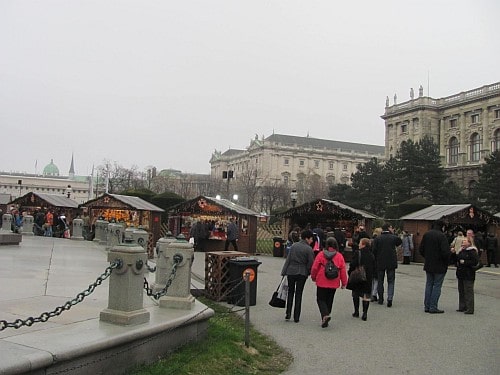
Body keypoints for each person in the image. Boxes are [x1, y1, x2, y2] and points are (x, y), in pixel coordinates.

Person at [310, 237, 348, 328]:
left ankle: (325, 314)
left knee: (320, 299)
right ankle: (327, 313)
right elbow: (343, 270)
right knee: (329, 299)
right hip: (334, 281)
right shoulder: (339, 256)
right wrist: (344, 282)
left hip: (322, 280)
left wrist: (313, 277)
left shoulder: (321, 254)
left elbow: (315, 267)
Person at [281, 229, 315, 323]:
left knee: (290, 292)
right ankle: (296, 316)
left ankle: (288, 313)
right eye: (311, 239)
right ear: (307, 238)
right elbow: (310, 263)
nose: (312, 241)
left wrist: (284, 271)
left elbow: (288, 259)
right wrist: (308, 272)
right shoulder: (309, 249)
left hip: (291, 271)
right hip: (302, 272)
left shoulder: (294, 246)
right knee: (299, 293)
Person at [419, 221, 451, 314]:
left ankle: (427, 306)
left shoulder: (427, 234)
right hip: (440, 265)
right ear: (442, 227)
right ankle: (433, 306)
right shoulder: (442, 236)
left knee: (429, 284)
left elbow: (421, 249)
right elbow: (445, 252)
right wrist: (448, 259)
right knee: (437, 285)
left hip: (429, 263)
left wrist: (427, 257)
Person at [372, 223, 402, 307]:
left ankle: (380, 299)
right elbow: (399, 241)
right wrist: (393, 233)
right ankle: (390, 299)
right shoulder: (393, 238)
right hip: (391, 262)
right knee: (391, 281)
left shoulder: (377, 239)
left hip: (380, 262)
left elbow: (374, 251)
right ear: (389, 228)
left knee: (380, 281)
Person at [348, 237, 376, 321]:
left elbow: (353, 264)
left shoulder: (358, 253)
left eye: (360, 243)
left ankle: (356, 311)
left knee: (355, 293)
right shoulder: (371, 255)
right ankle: (365, 313)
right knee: (366, 295)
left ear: (363, 244)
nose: (359, 244)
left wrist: (350, 272)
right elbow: (374, 266)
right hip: (368, 277)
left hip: (358, 276)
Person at [450, 237, 479, 314]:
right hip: (461, 273)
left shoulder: (472, 251)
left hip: (468, 274)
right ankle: (462, 306)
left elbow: (475, 262)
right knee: (461, 290)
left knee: (468, 291)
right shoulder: (461, 250)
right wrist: (453, 253)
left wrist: (465, 262)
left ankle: (470, 308)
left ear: (469, 242)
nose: (463, 242)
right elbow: (456, 260)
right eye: (462, 241)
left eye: (465, 241)